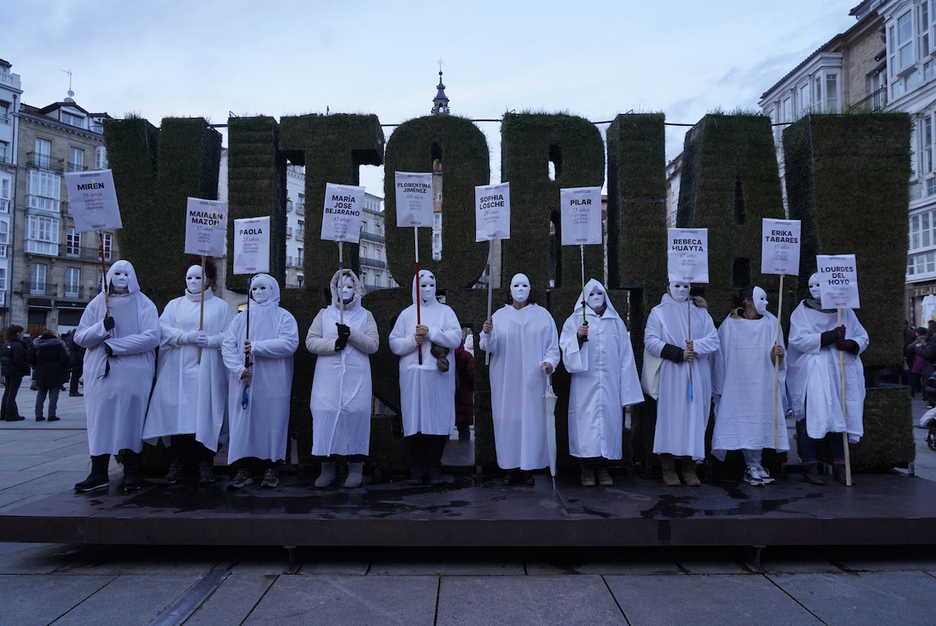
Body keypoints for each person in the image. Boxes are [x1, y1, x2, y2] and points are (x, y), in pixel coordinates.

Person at [143, 258, 235, 485]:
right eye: (189, 277)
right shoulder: (174, 305)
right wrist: (184, 337)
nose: (193, 281)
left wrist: (213, 340)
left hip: (208, 371)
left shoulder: (222, 307)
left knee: (205, 415)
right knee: (179, 417)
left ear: (208, 280)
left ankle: (206, 463)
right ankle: (177, 463)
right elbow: (161, 329)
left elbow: (232, 334)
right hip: (178, 372)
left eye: (198, 277)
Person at [73, 260, 161, 492]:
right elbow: (80, 336)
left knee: (131, 421)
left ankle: (132, 471)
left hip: (133, 373)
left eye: (126, 273)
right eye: (117, 273)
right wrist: (101, 328)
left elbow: (152, 336)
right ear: (110, 275)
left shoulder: (144, 304)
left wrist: (117, 345)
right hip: (101, 374)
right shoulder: (97, 303)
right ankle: (98, 472)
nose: (121, 278)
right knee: (99, 421)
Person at [787, 272, 869, 486]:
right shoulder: (802, 312)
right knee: (815, 412)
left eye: (819, 284)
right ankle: (810, 464)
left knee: (839, 414)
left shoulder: (845, 310)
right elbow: (798, 340)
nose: (814, 289)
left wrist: (851, 344)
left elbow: (862, 336)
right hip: (816, 369)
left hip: (842, 368)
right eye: (811, 285)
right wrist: (829, 337)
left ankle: (840, 464)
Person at [560, 279, 643, 486]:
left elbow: (626, 357)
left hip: (609, 385)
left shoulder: (615, 323)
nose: (596, 298)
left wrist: (627, 391)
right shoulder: (575, 320)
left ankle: (604, 467)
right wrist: (578, 338)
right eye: (592, 294)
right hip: (585, 386)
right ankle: (586, 468)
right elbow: (565, 347)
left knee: (608, 425)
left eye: (600, 293)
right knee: (586, 426)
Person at [481, 273, 560, 486]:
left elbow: (552, 347)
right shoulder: (498, 316)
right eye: (516, 285)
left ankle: (528, 468)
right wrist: (487, 333)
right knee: (508, 422)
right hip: (506, 381)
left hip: (533, 381)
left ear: (530, 288)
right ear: (509, 290)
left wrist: (549, 362)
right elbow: (489, 347)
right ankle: (509, 468)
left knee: (532, 423)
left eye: (525, 284)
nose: (520, 289)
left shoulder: (543, 316)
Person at [222, 274, 299, 490]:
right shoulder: (241, 318)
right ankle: (243, 467)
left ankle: (272, 465)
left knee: (272, 420)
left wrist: (257, 347)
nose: (257, 293)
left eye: (262, 288)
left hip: (273, 380)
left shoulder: (283, 316)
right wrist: (238, 368)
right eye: (254, 289)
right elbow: (227, 345)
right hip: (245, 379)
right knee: (244, 423)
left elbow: (289, 343)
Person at [306, 269, 379, 488]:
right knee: (325, 413)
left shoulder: (365, 315)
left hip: (357, 376)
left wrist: (352, 335)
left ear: (356, 289)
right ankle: (327, 467)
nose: (344, 291)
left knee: (354, 415)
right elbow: (311, 341)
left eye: (349, 286)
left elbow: (373, 344)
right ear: (333, 290)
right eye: (340, 286)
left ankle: (355, 467)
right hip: (328, 376)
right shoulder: (324, 314)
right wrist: (333, 344)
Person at [711, 286, 789, 485]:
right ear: (748, 301)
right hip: (738, 383)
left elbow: (778, 357)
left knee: (760, 420)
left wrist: (779, 354)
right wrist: (719, 386)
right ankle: (751, 465)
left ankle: (756, 463)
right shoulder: (729, 325)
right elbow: (720, 357)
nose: (767, 302)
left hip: (763, 382)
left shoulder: (772, 321)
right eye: (761, 298)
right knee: (744, 421)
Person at [389, 270, 461, 485]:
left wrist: (431, 332)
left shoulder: (447, 312)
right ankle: (417, 468)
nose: (428, 289)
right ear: (415, 288)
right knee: (415, 420)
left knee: (437, 420)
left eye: (432, 285)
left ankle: (434, 466)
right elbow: (394, 343)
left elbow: (455, 339)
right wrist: (413, 340)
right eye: (423, 285)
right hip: (413, 376)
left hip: (437, 377)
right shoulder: (407, 314)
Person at [644, 281, 719, 486]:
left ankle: (689, 467)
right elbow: (650, 341)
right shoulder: (657, 313)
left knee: (695, 419)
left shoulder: (701, 313)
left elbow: (713, 340)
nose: (681, 290)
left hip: (697, 370)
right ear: (667, 288)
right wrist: (678, 353)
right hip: (672, 373)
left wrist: (696, 346)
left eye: (685, 285)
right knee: (671, 418)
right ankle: (668, 468)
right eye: (676, 285)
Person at [28, 329, 71, 422]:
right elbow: (65, 359)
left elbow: (31, 359)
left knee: (41, 392)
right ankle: (52, 415)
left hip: (41, 371)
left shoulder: (36, 345)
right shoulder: (57, 345)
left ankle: (38, 414)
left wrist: (37, 365)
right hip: (55, 371)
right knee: (54, 393)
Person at [0, 325, 29, 422]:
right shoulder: (18, 345)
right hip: (15, 371)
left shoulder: (6, 344)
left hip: (7, 370)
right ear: (17, 333)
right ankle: (11, 414)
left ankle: (4, 413)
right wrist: (25, 368)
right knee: (12, 393)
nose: (23, 334)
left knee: (7, 392)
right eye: (21, 332)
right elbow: (18, 360)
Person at [454, 328, 475, 441]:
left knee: (443, 430)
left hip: (448, 396)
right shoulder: (467, 356)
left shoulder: (444, 355)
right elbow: (472, 374)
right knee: (464, 428)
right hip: (464, 395)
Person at [65, 329, 85, 397]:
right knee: (76, 375)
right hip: (77, 359)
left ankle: (73, 390)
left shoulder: (71, 337)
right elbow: (80, 349)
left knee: (74, 375)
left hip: (73, 357)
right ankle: (73, 390)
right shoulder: (76, 338)